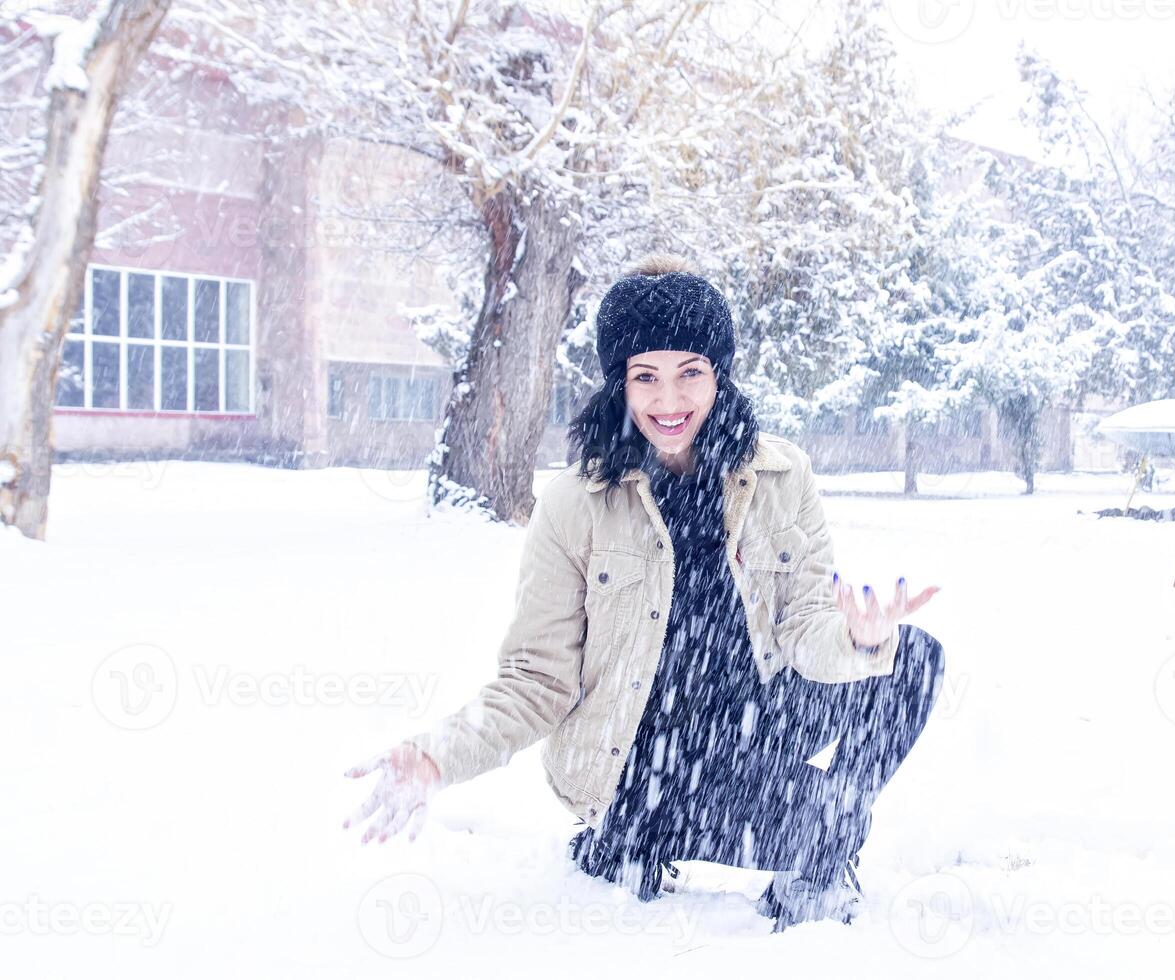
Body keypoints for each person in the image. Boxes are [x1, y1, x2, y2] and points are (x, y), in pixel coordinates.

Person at [343, 253, 946, 931]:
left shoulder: (782, 474)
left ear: (719, 374)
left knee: (909, 656)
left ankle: (823, 845)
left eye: (690, 373)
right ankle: (633, 841)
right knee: (820, 823)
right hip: (645, 759)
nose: (669, 400)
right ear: (619, 386)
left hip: (753, 717)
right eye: (646, 377)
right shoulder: (576, 503)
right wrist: (434, 755)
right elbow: (537, 681)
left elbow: (806, 630)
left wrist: (861, 639)